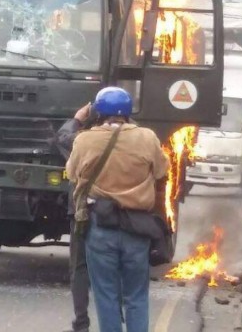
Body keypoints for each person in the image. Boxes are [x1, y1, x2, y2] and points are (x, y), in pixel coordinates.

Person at [66, 87, 169, 332]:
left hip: (101, 228)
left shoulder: (85, 139)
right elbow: (161, 172)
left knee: (106, 295)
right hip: (137, 227)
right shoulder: (147, 137)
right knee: (136, 295)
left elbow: (72, 173)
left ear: (98, 112)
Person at [56, 102, 93, 332]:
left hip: (84, 213)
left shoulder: (84, 140)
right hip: (120, 215)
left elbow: (62, 137)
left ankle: (81, 323)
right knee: (113, 270)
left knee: (79, 267)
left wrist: (77, 119)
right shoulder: (140, 140)